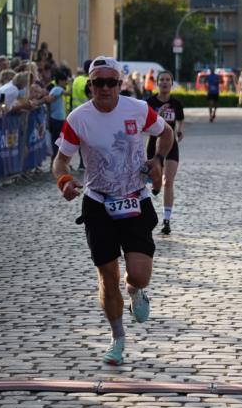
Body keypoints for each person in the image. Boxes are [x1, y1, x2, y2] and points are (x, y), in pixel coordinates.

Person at [52, 56, 173, 367]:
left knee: (139, 275)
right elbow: (60, 160)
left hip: (135, 198)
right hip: (97, 201)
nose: (104, 88)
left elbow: (166, 133)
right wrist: (64, 181)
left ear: (120, 84)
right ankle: (117, 338)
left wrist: (157, 160)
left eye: (111, 82)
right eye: (98, 83)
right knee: (108, 275)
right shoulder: (78, 118)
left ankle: (135, 291)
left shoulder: (136, 109)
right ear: (89, 85)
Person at [146, 70, 185, 235]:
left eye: (168, 80)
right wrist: (158, 115)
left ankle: (166, 220)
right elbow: (144, 124)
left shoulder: (176, 103)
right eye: (161, 80)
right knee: (156, 180)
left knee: (168, 181)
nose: (164, 82)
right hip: (154, 145)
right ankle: (155, 186)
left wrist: (180, 130)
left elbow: (180, 119)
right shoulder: (150, 102)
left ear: (171, 83)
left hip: (171, 145)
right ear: (157, 83)